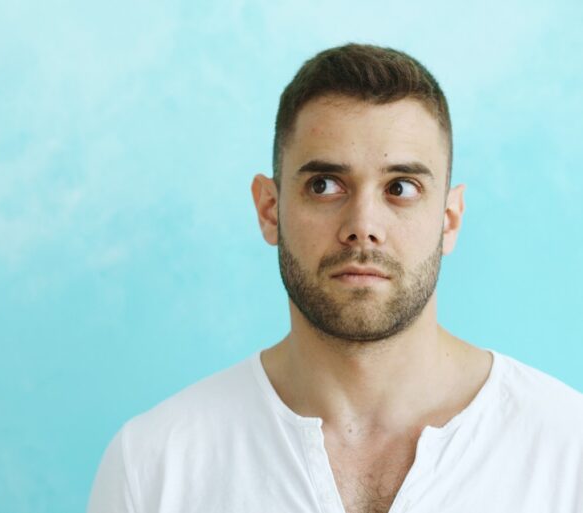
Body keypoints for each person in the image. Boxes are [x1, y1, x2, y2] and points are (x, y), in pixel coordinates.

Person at [86, 43, 583, 513]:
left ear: (449, 218)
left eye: (401, 187)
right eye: (324, 185)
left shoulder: (567, 452)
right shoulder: (153, 465)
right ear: (269, 209)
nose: (362, 226)